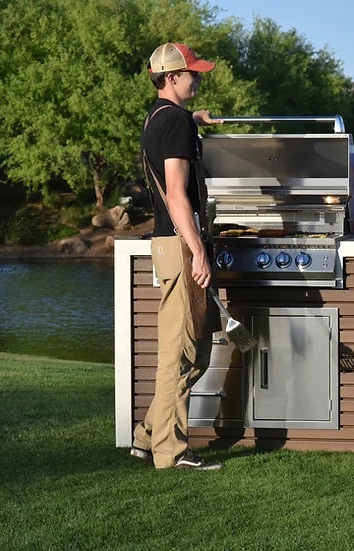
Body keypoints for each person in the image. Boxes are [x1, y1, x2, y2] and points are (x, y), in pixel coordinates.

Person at [131, 42, 224, 470]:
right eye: (193, 73)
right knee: (183, 354)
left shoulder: (160, 118)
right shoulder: (176, 125)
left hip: (168, 244)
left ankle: (147, 435)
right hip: (181, 244)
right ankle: (170, 451)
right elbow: (175, 193)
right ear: (172, 78)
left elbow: (174, 138)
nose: (199, 78)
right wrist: (199, 250)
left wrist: (194, 122)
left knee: (189, 350)